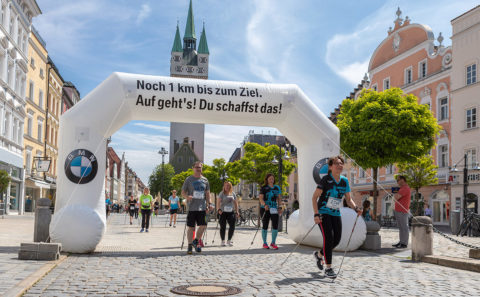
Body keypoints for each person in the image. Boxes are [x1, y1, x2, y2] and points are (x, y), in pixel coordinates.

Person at [311, 155, 362, 278]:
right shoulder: (325, 180)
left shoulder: (344, 181)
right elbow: (314, 197)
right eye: (336, 164)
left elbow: (349, 199)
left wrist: (356, 208)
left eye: (341, 163)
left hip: (335, 212)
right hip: (323, 212)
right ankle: (328, 268)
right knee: (328, 238)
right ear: (330, 167)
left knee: (337, 240)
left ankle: (319, 255)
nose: (339, 166)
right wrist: (316, 214)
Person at [182, 161, 213, 254]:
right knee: (191, 227)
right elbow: (183, 192)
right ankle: (189, 245)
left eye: (200, 167)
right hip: (191, 207)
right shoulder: (188, 179)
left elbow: (207, 194)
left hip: (202, 207)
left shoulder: (205, 180)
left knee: (203, 226)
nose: (198, 169)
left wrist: (209, 204)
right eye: (197, 167)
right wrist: (187, 197)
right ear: (193, 168)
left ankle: (196, 241)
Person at [259, 173, 283, 250]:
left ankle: (273, 242)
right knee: (265, 225)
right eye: (270, 179)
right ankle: (264, 243)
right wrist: (264, 204)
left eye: (272, 179)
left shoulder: (277, 188)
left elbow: (279, 198)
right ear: (267, 180)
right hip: (265, 208)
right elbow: (261, 198)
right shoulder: (264, 187)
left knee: (275, 225)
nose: (271, 180)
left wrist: (280, 207)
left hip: (274, 209)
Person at [217, 181, 239, 246]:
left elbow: (236, 203)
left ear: (230, 187)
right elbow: (218, 202)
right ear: (224, 186)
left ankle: (229, 240)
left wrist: (237, 211)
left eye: (228, 186)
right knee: (223, 226)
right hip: (223, 212)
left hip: (231, 212)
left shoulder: (233, 193)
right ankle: (223, 240)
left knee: (232, 226)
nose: (227, 187)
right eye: (226, 186)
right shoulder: (222, 193)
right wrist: (218, 209)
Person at [392, 175, 411, 248]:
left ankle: (404, 243)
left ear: (402, 180)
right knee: (401, 227)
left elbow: (396, 197)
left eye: (398, 180)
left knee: (404, 227)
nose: (397, 182)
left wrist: (395, 195)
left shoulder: (405, 188)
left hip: (402, 210)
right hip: (399, 210)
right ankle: (401, 241)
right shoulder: (402, 188)